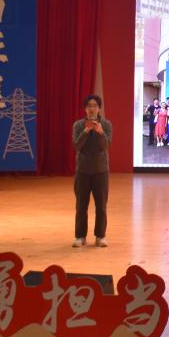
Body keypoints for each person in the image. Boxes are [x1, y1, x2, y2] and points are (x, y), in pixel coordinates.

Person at [72, 94, 112, 248]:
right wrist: (86, 131)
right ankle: (80, 236)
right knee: (81, 206)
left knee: (101, 206)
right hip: (82, 171)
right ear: (85, 109)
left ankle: (100, 236)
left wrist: (100, 132)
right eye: (89, 106)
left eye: (95, 106)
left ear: (99, 109)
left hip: (101, 171)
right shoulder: (78, 125)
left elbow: (105, 146)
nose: (92, 109)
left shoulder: (106, 125)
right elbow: (77, 146)